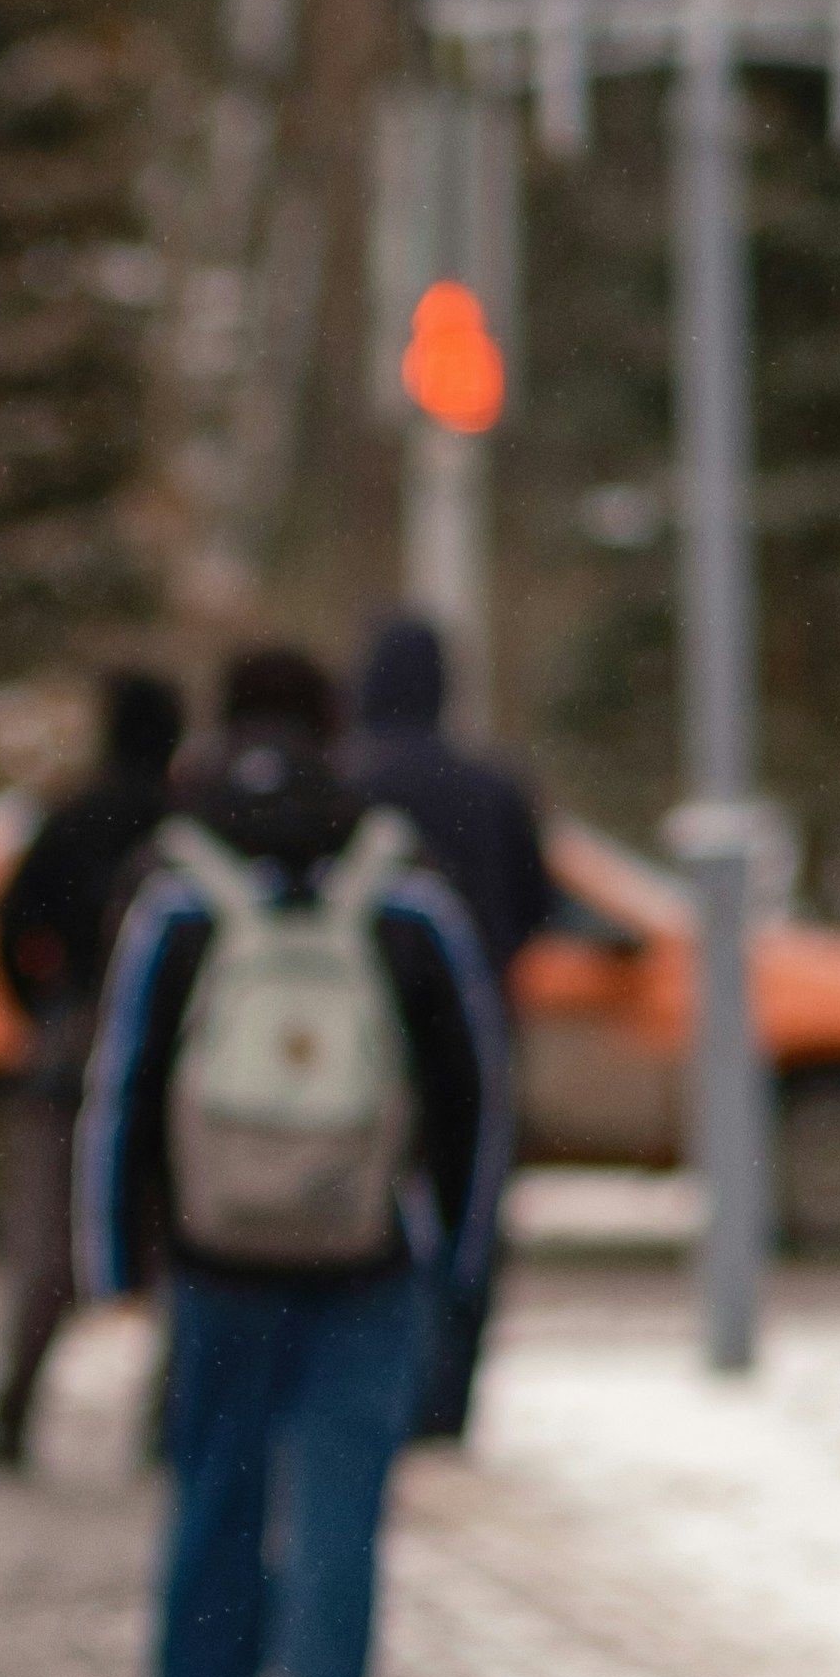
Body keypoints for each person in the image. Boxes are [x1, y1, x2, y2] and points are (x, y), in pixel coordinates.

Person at [78, 644, 513, 1677]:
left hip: (218, 1254)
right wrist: (460, 1254)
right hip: (366, 1252)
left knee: (214, 1495)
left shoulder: (181, 883)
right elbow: (470, 1085)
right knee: (339, 1506)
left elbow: (126, 1082)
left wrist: (118, 1256)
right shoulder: (397, 877)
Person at [0, 666, 188, 1478]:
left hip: (75, 1043)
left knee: (48, 1247)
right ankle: (166, 1423)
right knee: (173, 1242)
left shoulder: (74, 816)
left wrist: (40, 1008)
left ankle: (10, 1416)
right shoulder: (181, 826)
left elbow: (7, 921)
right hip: (171, 1050)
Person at [346, 613, 554, 1447]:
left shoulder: (350, 781)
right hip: (475, 1026)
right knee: (470, 1202)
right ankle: (447, 1391)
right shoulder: (493, 786)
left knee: (369, 1202)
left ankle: (380, 1378)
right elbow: (536, 905)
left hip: (366, 1028)